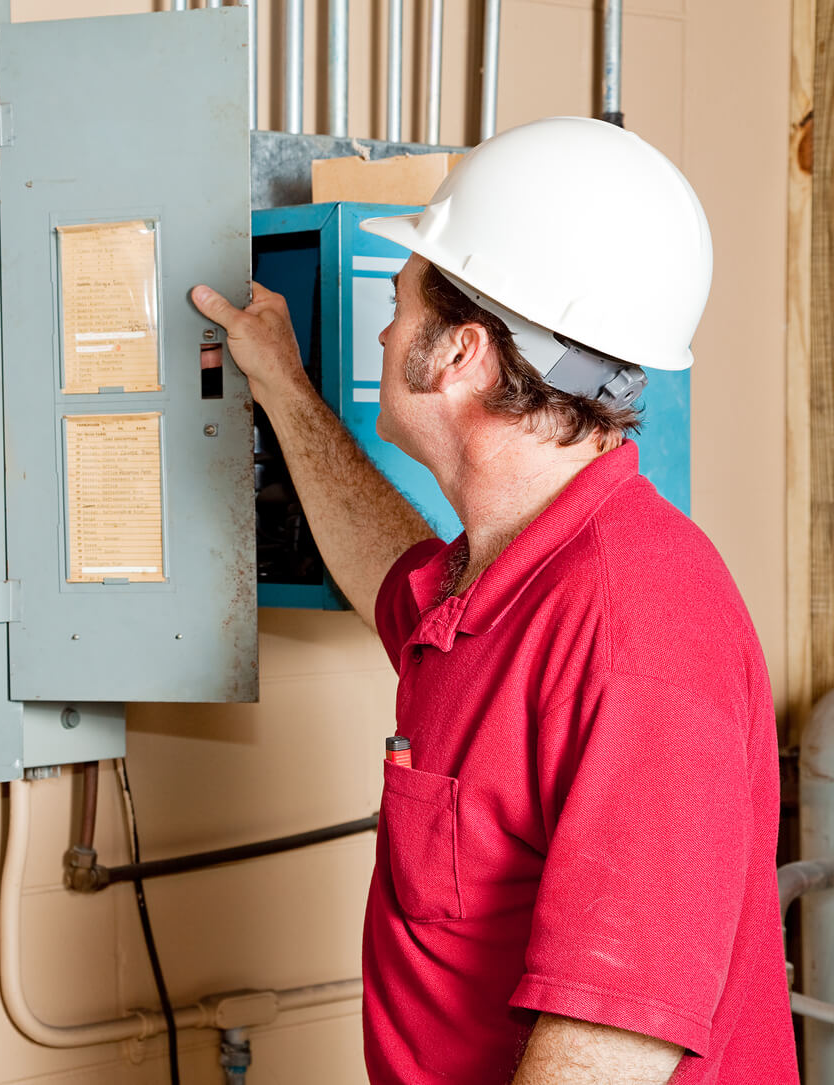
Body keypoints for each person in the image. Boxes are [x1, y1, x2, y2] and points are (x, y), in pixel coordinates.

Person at [193, 117, 797, 1084]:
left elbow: (608, 1051)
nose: (387, 331)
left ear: (462, 352)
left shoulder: (636, 633)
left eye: (400, 304)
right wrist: (285, 386)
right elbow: (386, 565)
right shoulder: (495, 581)